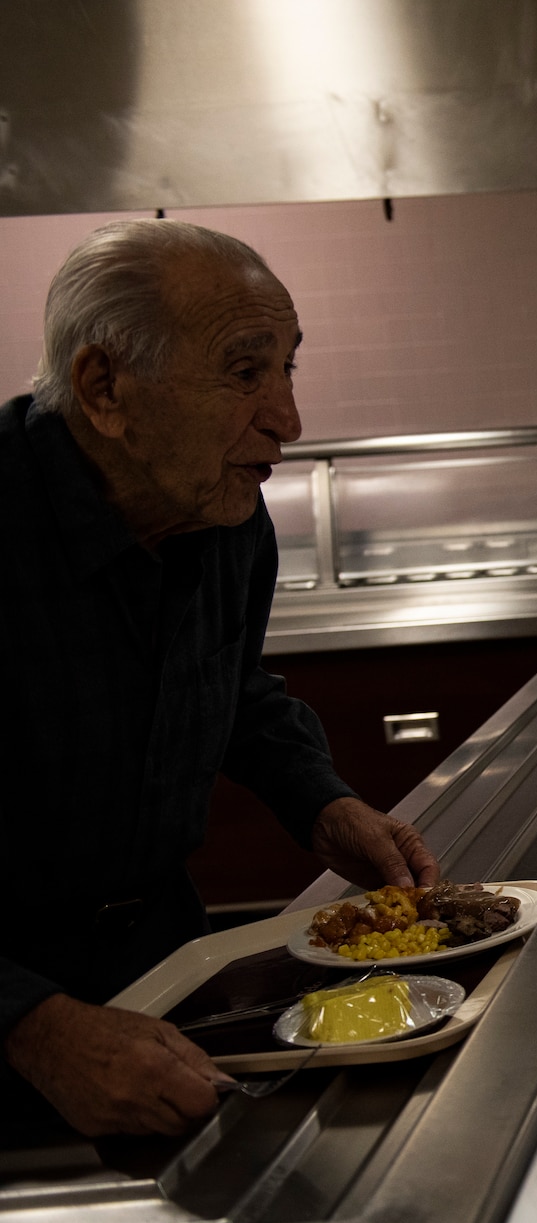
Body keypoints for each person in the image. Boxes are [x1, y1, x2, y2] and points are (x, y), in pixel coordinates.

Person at [0, 220, 438, 1140]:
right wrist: (33, 1027)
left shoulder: (228, 519)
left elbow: (232, 689)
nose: (288, 419)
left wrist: (323, 803)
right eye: (246, 374)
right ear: (104, 388)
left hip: (166, 960)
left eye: (288, 369)